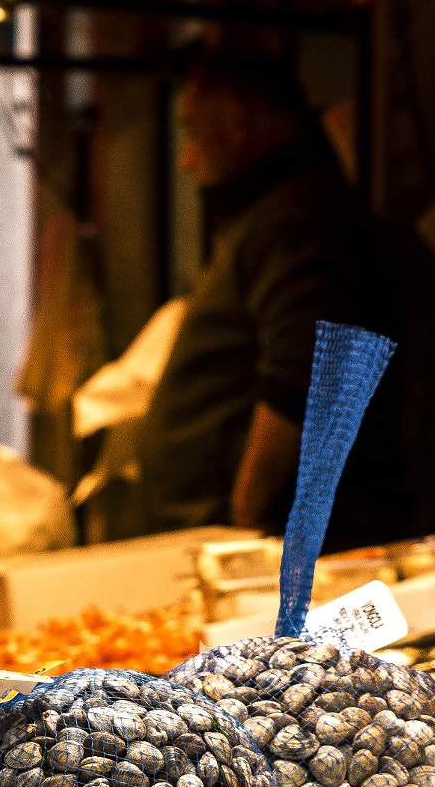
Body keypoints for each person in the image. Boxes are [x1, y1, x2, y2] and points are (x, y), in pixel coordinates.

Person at [133, 50, 408, 546]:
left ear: (237, 124)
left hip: (265, 548)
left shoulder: (299, 220)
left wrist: (247, 515)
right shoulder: (270, 217)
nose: (186, 159)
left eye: (193, 135)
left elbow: (303, 378)